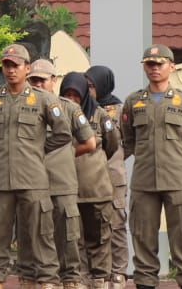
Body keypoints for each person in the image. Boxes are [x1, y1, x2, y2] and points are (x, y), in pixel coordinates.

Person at [0, 42, 69, 289]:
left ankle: (47, 279)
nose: (10, 70)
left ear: (27, 68)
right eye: (6, 65)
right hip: (1, 179)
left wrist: (36, 149)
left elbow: (63, 134)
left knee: (41, 233)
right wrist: (4, 146)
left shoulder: (44, 100)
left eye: (15, 65)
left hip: (33, 179)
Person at [120, 44, 182, 289]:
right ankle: (146, 282)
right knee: (143, 236)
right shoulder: (134, 102)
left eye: (159, 64)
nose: (155, 68)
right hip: (144, 181)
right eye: (150, 64)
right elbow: (128, 140)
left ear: (171, 66)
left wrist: (176, 157)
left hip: (177, 180)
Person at [28, 60, 96, 289]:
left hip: (62, 182)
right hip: (32, 183)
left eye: (42, 80)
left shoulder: (68, 108)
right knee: (35, 237)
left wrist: (67, 152)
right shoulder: (23, 106)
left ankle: (71, 281)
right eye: (33, 80)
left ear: (53, 81)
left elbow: (90, 142)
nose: (37, 84)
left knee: (68, 238)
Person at [59, 72, 120, 289]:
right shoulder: (57, 114)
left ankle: (101, 280)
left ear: (84, 94)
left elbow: (112, 145)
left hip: (97, 190)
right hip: (68, 190)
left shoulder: (100, 115)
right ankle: (78, 280)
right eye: (67, 94)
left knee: (100, 239)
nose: (72, 99)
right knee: (74, 240)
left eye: (76, 95)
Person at [86, 66, 128, 287]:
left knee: (116, 225)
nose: (89, 90)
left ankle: (119, 272)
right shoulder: (83, 110)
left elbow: (130, 141)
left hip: (113, 177)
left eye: (92, 85)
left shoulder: (120, 110)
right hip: (89, 180)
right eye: (87, 85)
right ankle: (95, 274)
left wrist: (117, 157)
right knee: (91, 228)